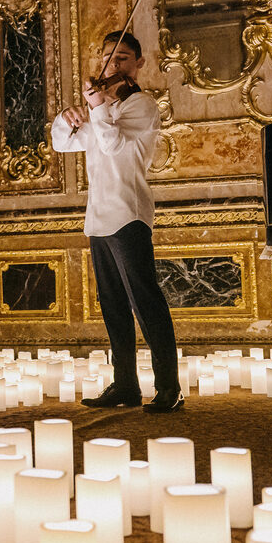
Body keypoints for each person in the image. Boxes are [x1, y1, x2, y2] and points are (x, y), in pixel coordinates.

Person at [50, 30, 183, 412]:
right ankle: (125, 385)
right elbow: (62, 142)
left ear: (138, 64)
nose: (112, 65)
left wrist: (95, 107)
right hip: (98, 218)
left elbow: (111, 144)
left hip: (128, 215)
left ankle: (169, 388)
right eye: (108, 58)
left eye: (122, 58)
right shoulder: (103, 107)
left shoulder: (141, 105)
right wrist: (68, 117)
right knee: (112, 305)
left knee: (145, 302)